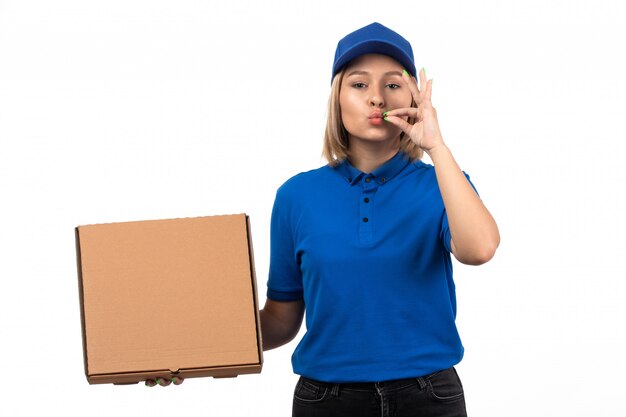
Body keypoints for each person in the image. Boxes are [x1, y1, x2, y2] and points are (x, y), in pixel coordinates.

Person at [149, 21, 500, 417]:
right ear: (337, 99)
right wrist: (186, 348)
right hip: (327, 400)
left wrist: (436, 146)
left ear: (415, 98)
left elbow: (479, 248)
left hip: (428, 396)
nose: (377, 98)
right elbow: (281, 320)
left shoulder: (443, 181)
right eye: (359, 84)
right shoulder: (297, 197)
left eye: (393, 84)